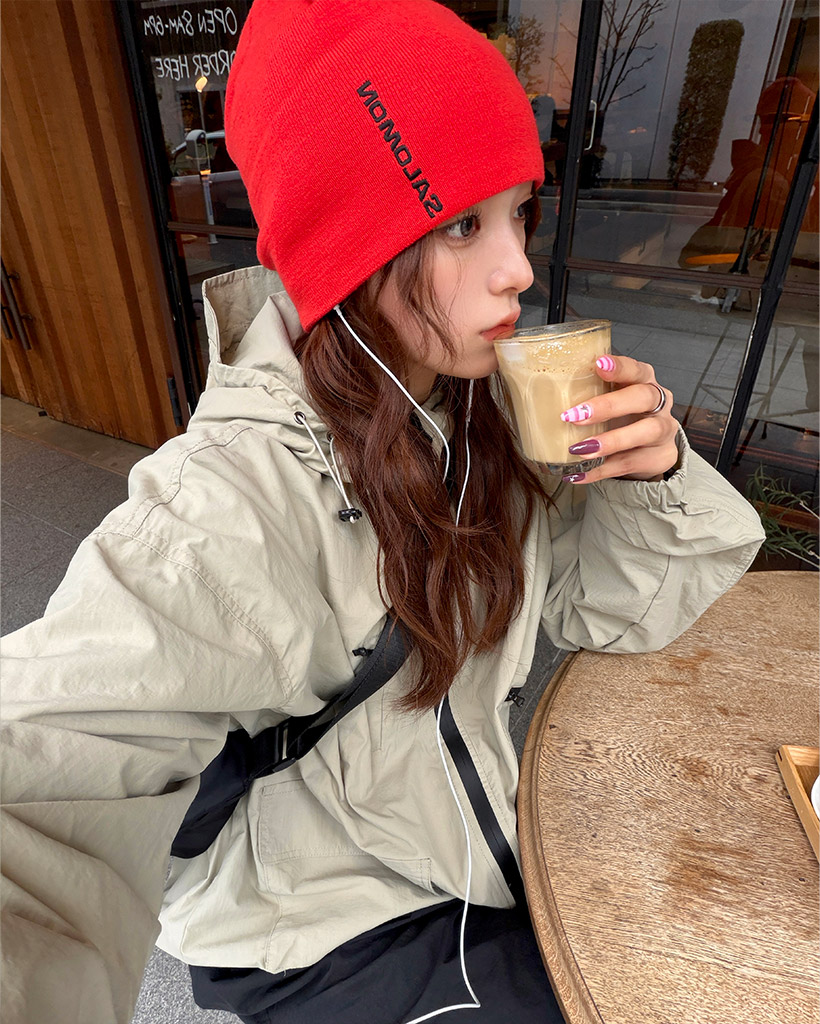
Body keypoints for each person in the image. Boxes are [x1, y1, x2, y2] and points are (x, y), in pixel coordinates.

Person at [1, 2, 765, 1023]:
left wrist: (647, 477)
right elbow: (40, 784)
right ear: (347, 246)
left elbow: (610, 614)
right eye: (461, 224)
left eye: (519, 213)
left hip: (465, 845)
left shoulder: (476, 409)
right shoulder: (231, 501)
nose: (519, 268)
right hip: (320, 923)